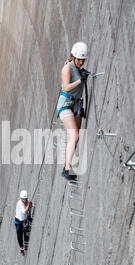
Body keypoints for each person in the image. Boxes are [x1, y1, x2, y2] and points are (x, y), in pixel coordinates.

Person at [56, 42, 91, 181]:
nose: (82, 62)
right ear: (73, 56)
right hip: (65, 104)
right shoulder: (67, 68)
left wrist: (84, 77)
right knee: (75, 136)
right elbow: (66, 87)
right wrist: (80, 80)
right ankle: (67, 169)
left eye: (84, 60)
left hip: (76, 106)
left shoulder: (78, 68)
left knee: (76, 138)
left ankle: (67, 164)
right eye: (79, 59)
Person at [14, 190, 33, 256]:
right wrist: (28, 206)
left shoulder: (27, 200)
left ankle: (25, 244)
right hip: (19, 222)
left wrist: (30, 205)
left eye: (26, 199)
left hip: (25, 218)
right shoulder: (20, 204)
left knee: (26, 230)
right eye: (24, 199)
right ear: (21, 199)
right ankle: (21, 248)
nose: (25, 200)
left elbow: (29, 207)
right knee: (19, 235)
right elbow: (25, 211)